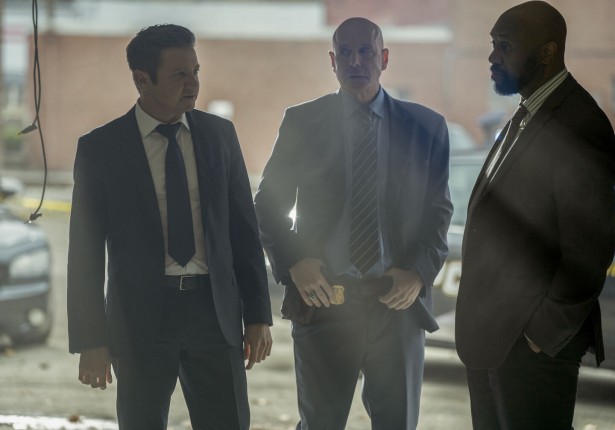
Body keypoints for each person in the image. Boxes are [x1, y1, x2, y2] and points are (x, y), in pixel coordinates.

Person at [67, 24, 273, 430]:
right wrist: (91, 341)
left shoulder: (219, 135)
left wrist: (258, 315)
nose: (193, 83)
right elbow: (84, 253)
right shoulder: (101, 148)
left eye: (196, 71)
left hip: (214, 314)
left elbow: (244, 232)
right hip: (140, 320)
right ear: (142, 80)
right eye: (180, 74)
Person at [254, 17, 452, 430]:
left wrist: (419, 273)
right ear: (332, 60)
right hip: (325, 302)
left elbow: (438, 211)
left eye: (365, 51)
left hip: (396, 307)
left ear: (384, 58)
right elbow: (268, 203)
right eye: (344, 52)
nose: (355, 61)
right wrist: (294, 262)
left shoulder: (426, 126)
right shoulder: (303, 121)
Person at [455, 2, 615, 429]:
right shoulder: (526, 113)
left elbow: (589, 249)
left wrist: (540, 337)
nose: (493, 57)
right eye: (493, 44)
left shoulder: (580, 123)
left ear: (547, 52)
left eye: (505, 46)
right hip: (492, 343)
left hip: (531, 351)